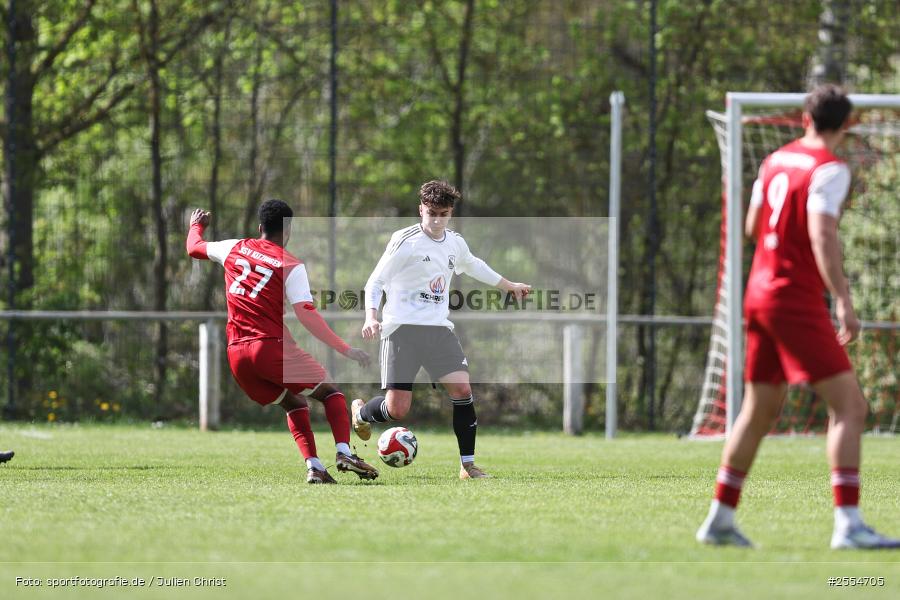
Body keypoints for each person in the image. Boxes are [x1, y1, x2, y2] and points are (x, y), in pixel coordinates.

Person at [696, 85, 899, 549]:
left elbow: (750, 227)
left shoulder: (773, 161)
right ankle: (849, 525)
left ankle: (720, 519)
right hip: (794, 299)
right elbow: (822, 234)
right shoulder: (830, 169)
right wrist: (843, 298)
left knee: (760, 409)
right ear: (848, 125)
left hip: (757, 294)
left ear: (805, 118)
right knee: (850, 407)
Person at [187, 200, 379, 484]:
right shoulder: (290, 264)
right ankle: (343, 453)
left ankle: (314, 466)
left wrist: (196, 225)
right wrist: (345, 348)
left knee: (294, 404)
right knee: (331, 393)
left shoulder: (233, 247)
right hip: (269, 348)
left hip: (237, 356)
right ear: (288, 230)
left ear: (260, 227)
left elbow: (194, 247)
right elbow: (307, 315)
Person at [351, 180, 531, 479]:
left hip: (438, 330)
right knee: (397, 410)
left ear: (451, 214)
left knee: (462, 390)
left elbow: (473, 265)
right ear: (421, 209)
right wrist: (371, 317)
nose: (436, 220)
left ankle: (468, 466)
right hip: (401, 331)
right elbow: (375, 282)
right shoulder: (404, 240)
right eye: (431, 212)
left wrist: (508, 285)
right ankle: (360, 413)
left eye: (443, 213)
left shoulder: (454, 242)